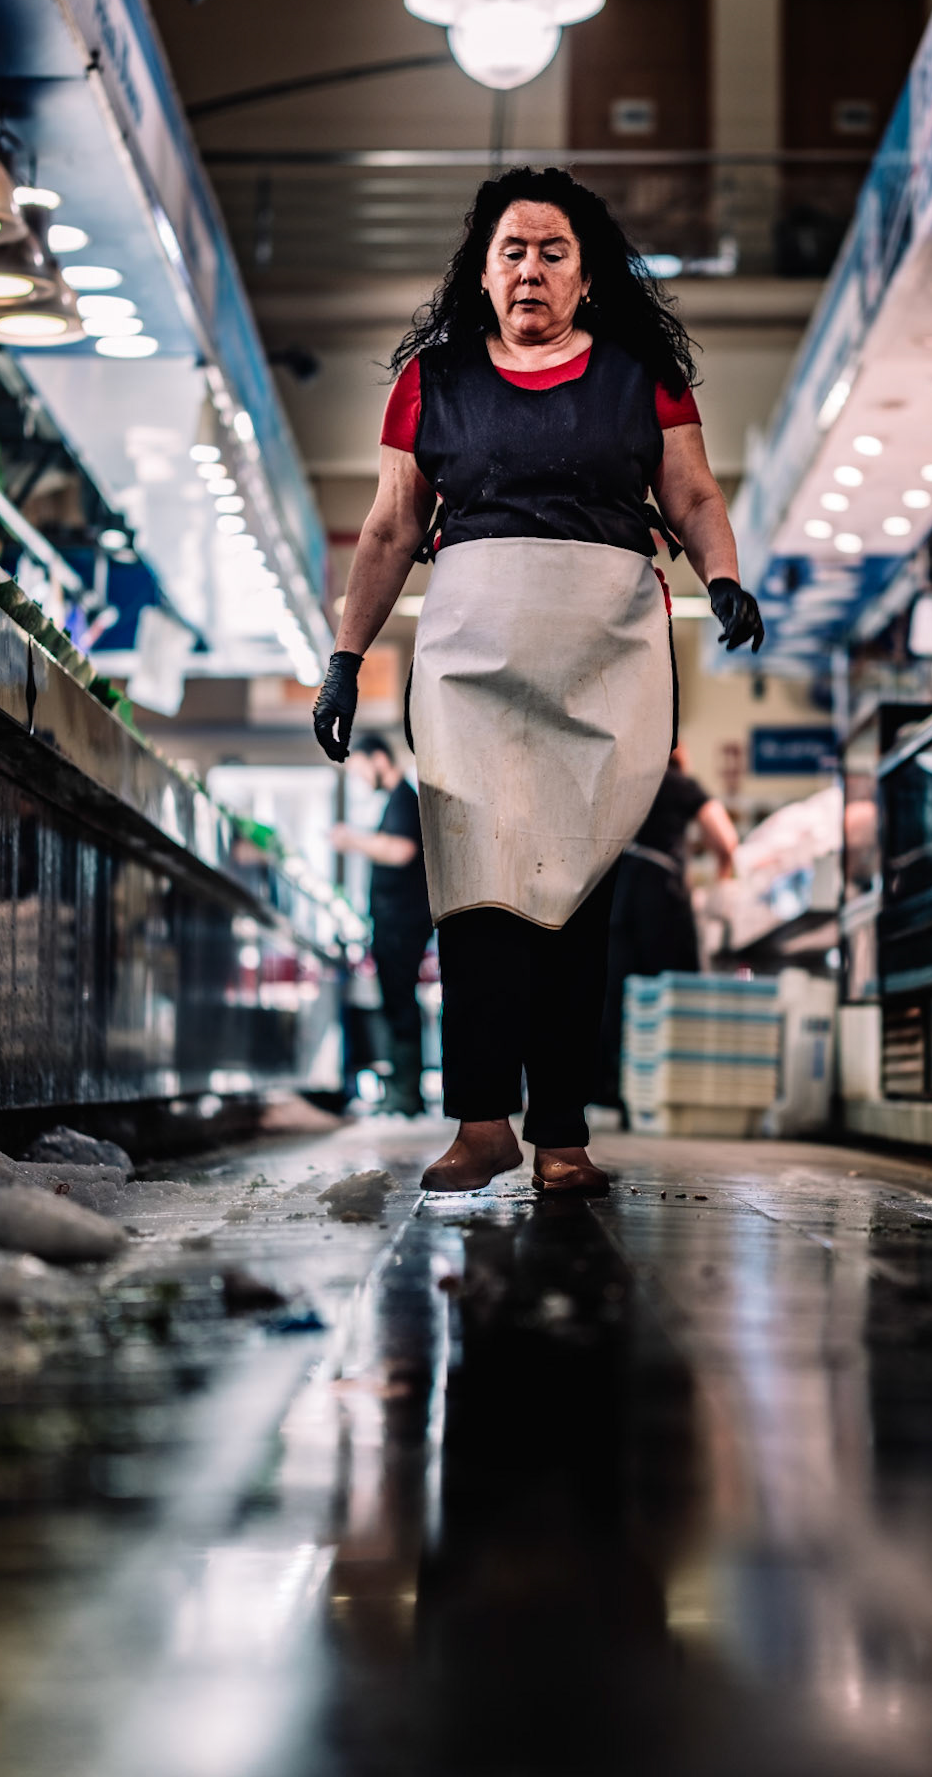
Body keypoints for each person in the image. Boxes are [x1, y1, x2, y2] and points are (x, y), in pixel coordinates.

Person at [313, 166, 762, 1195]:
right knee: (474, 893)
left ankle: (563, 1133)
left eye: (552, 252)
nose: (529, 270)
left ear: (586, 275)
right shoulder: (431, 381)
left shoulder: (642, 372)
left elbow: (689, 490)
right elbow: (388, 527)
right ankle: (481, 1121)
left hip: (606, 654)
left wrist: (723, 576)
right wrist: (344, 661)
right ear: (481, 271)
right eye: (510, 251)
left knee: (577, 893)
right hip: (467, 664)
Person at [600, 745, 739, 1118]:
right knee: (672, 993)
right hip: (661, 900)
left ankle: (615, 1092)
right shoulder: (680, 784)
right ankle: (670, 1093)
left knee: (616, 997)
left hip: (616, 895)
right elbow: (726, 840)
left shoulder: (619, 783)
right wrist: (723, 879)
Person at [329, 733, 432, 1116]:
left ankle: (405, 1096)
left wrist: (352, 841)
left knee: (400, 1004)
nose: (359, 779)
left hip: (403, 922)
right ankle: (403, 1093)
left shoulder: (403, 798)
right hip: (395, 922)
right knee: (396, 1003)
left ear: (378, 759)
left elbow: (402, 850)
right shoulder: (395, 801)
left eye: (359, 770)